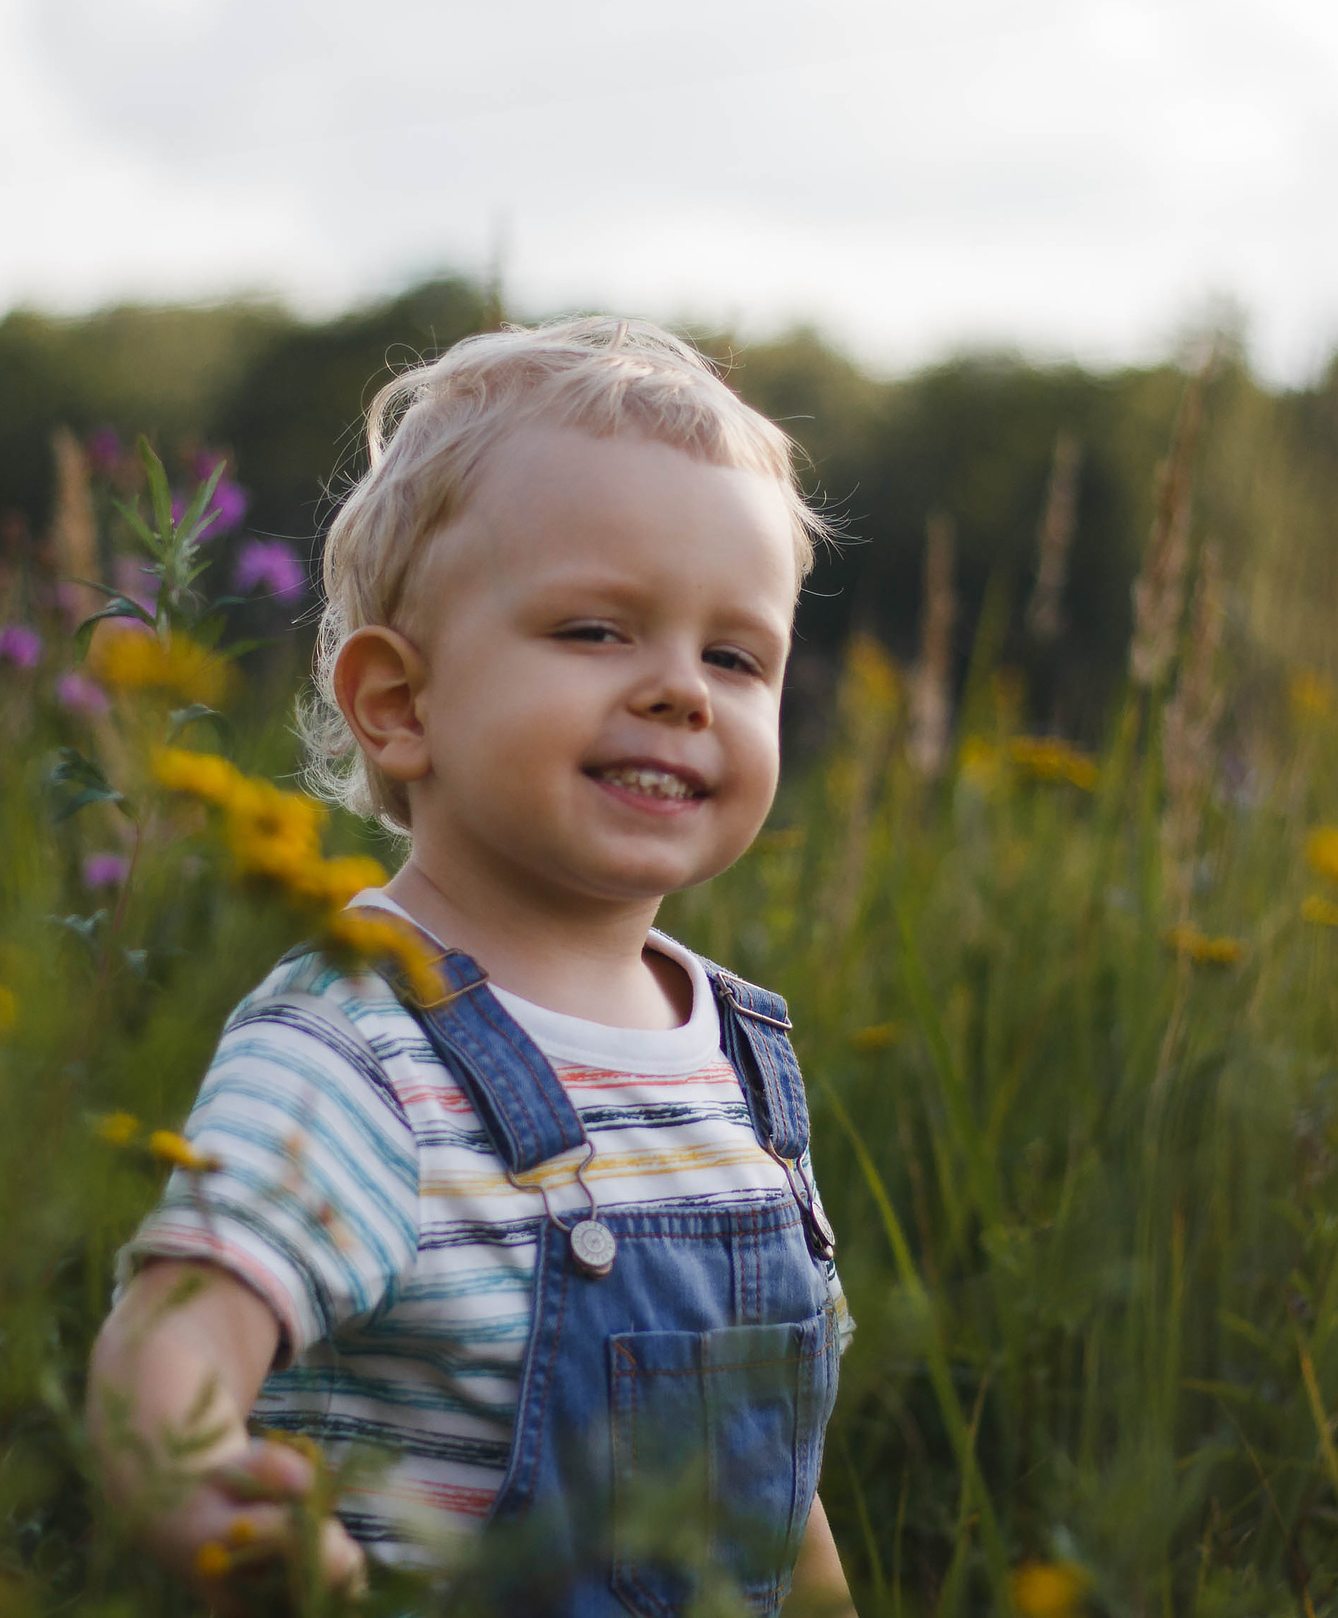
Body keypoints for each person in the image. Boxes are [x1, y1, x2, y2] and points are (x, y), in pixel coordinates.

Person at [89, 317, 854, 1616]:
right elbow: (174, 1340)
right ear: (399, 702)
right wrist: (213, 1490)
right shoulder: (356, 1050)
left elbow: (770, 1478)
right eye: (597, 631)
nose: (682, 690)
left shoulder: (737, 1058)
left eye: (735, 656)